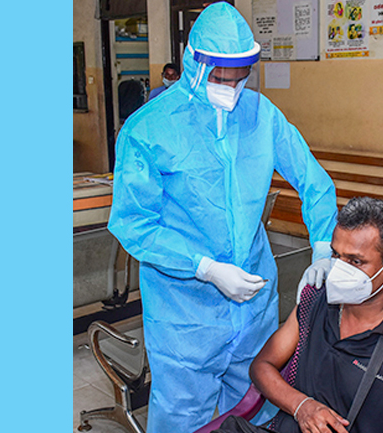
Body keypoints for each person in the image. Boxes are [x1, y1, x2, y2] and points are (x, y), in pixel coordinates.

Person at [107, 3, 338, 433]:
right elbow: (133, 223)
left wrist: (323, 246)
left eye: (239, 77)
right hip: (184, 310)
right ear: (194, 63)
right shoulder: (148, 128)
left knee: (256, 402)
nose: (230, 88)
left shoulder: (261, 115)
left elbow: (314, 181)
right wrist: (206, 269)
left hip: (253, 301)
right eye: (218, 78)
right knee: (182, 414)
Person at [213, 197, 383, 433]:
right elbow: (262, 366)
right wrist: (302, 406)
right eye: (336, 255)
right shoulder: (316, 302)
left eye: (355, 261)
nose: (339, 270)